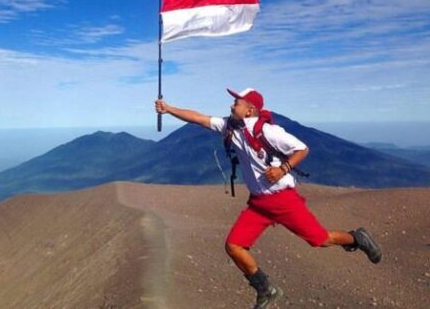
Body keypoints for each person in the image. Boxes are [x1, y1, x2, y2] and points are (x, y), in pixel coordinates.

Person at [155, 88, 382, 309]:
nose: (232, 105)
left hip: (283, 200)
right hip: (259, 204)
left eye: (237, 103)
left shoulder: (269, 131)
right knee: (234, 246)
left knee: (319, 240)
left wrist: (283, 169)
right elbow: (199, 118)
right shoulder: (230, 127)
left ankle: (356, 238)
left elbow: (302, 149)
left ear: (249, 110)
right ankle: (266, 290)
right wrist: (168, 108)